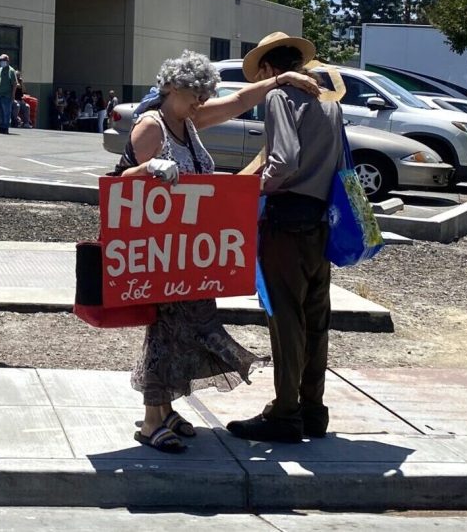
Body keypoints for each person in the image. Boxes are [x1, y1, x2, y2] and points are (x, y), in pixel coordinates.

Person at [111, 49, 320, 453]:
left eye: (203, 96)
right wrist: (149, 169)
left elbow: (240, 101)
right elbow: (121, 186)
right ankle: (152, 420)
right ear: (172, 88)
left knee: (187, 332)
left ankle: (166, 409)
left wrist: (281, 81)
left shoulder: (188, 121)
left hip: (189, 252)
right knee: (164, 332)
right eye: (195, 95)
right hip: (162, 253)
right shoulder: (151, 127)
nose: (201, 103)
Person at [227, 33, 343, 444]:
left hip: (286, 220)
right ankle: (313, 408)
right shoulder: (330, 101)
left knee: (286, 320)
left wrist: (256, 189)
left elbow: (284, 161)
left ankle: (285, 412)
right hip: (320, 220)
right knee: (316, 319)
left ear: (269, 70)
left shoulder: (279, 97)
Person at [0, 54, 18, 135]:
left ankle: (5, 127)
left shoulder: (11, 70)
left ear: (8, 61)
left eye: (3, 60)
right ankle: (1, 126)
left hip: (6, 95)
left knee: (6, 112)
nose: (2, 61)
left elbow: (14, 83)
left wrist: (13, 94)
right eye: (0, 60)